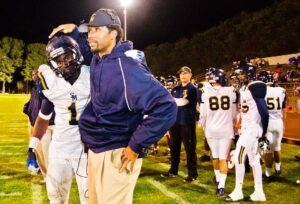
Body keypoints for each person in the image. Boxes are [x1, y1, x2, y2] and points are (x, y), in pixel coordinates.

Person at [49, 8, 177, 204]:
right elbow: (84, 49)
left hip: (118, 151)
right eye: (89, 30)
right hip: (98, 147)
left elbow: (166, 107)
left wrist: (136, 145)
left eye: (96, 30)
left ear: (113, 33)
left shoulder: (127, 67)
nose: (90, 35)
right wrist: (75, 31)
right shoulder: (101, 58)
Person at [26, 35, 90, 204]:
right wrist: (32, 147)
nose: (65, 63)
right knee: (56, 198)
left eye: (67, 56)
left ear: (76, 53)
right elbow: (43, 116)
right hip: (60, 148)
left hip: (86, 149)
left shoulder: (91, 76)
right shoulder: (52, 83)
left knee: (90, 197)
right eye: (59, 60)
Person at [226, 64, 269, 202]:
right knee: (254, 160)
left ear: (249, 73)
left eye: (242, 74)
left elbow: (264, 111)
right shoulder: (245, 88)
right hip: (247, 128)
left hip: (253, 129)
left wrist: (264, 134)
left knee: (238, 156)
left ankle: (238, 191)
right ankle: (259, 192)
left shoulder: (256, 86)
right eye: (238, 74)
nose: (239, 76)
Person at [199, 68, 237, 195]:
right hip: (226, 129)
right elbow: (233, 113)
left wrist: (203, 125)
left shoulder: (205, 92)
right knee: (223, 158)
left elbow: (203, 114)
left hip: (211, 129)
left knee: (214, 156)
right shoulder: (231, 91)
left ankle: (218, 178)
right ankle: (221, 186)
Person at [161, 66, 198, 182]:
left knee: (189, 148)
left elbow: (183, 102)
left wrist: (169, 99)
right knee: (174, 147)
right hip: (175, 121)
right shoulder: (176, 89)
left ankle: (193, 174)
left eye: (185, 73)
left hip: (187, 122)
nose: (183, 75)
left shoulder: (193, 89)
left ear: (190, 75)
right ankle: (173, 170)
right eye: (181, 73)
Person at [23, 70, 54, 179]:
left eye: (37, 74)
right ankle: (44, 173)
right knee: (37, 150)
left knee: (44, 151)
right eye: (32, 74)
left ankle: (48, 175)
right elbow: (34, 105)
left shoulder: (46, 87)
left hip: (44, 124)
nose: (34, 76)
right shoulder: (35, 88)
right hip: (34, 122)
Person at [257, 71, 286, 181]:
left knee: (267, 150)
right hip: (278, 122)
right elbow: (284, 109)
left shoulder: (260, 92)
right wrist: (284, 124)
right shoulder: (281, 91)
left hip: (266, 124)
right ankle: (278, 168)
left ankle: (268, 173)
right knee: (277, 147)